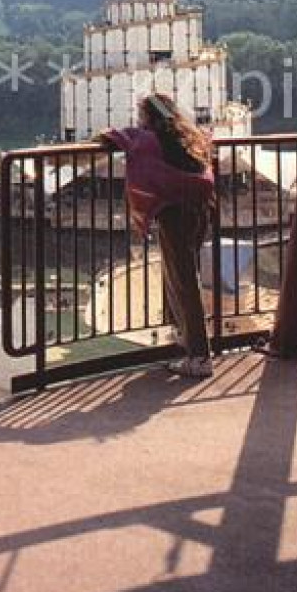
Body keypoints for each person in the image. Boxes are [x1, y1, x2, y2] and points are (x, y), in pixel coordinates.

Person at [96, 92, 216, 378]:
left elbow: (111, 138)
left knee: (183, 280)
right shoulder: (190, 137)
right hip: (201, 208)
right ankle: (182, 337)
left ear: (148, 116)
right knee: (184, 274)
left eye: (141, 113)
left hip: (174, 213)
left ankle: (199, 356)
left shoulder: (146, 139)